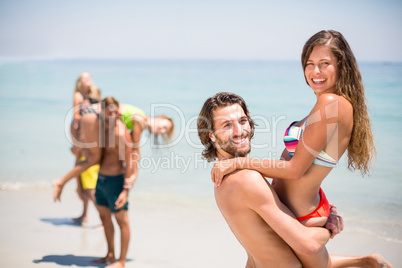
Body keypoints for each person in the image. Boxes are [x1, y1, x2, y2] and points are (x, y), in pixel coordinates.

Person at [198, 92, 392, 268]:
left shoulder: (222, 180)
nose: (239, 131)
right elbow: (308, 245)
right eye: (227, 125)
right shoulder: (246, 179)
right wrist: (329, 227)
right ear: (212, 136)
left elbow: (267, 244)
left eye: (242, 120)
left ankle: (364, 261)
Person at [53, 101, 175, 203]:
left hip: (91, 115)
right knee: (93, 159)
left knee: (91, 157)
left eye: (165, 131)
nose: (162, 131)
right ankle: (61, 182)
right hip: (92, 115)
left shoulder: (139, 121)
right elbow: (135, 150)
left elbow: (129, 149)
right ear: (160, 118)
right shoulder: (140, 119)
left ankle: (76, 187)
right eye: (164, 126)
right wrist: (134, 175)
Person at [89, 97, 134, 268]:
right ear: (103, 112)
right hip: (101, 180)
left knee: (122, 222)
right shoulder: (102, 130)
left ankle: (121, 261)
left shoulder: (121, 133)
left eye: (116, 111)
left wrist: (125, 191)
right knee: (104, 218)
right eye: (110, 111)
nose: (114, 114)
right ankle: (109, 255)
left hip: (116, 181)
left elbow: (129, 162)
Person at [70, 72, 102, 223]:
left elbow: (102, 113)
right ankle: (84, 214)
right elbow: (76, 116)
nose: (86, 80)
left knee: (86, 175)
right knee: (82, 174)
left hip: (91, 138)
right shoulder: (78, 96)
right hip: (83, 136)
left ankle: (102, 219)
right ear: (80, 81)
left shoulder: (96, 92)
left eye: (88, 77)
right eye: (84, 78)